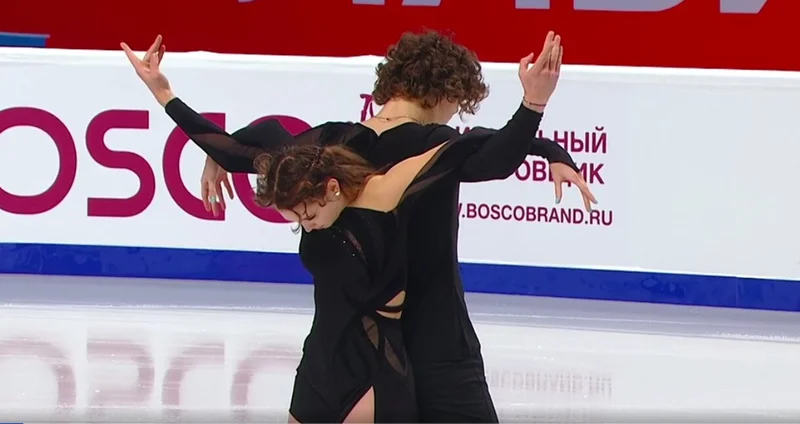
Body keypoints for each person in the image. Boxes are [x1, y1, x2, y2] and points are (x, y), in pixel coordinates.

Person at [122, 30, 596, 422]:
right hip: (437, 338)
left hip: (354, 346)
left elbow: (260, 138)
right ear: (446, 93)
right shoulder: (435, 143)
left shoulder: (333, 141)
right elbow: (490, 153)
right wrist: (535, 108)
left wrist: (180, 111)